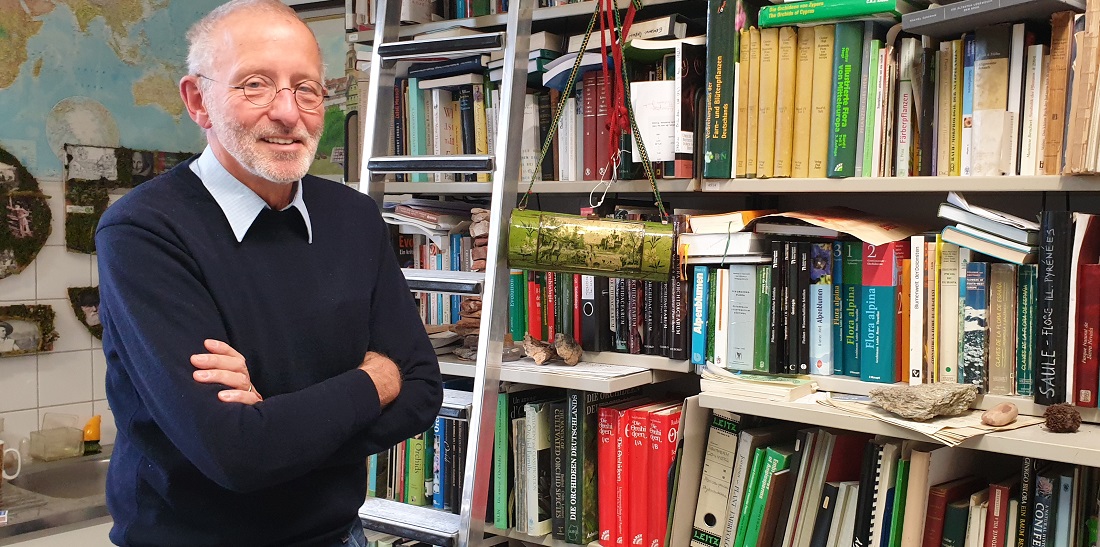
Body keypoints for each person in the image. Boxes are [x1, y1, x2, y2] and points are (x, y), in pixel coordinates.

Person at [94, 1, 442, 545]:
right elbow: (233, 454)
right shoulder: (143, 232)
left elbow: (421, 390)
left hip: (340, 537)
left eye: (307, 88)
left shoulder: (353, 219)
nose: (288, 112)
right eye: (255, 85)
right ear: (197, 100)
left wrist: (276, 426)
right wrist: (374, 380)